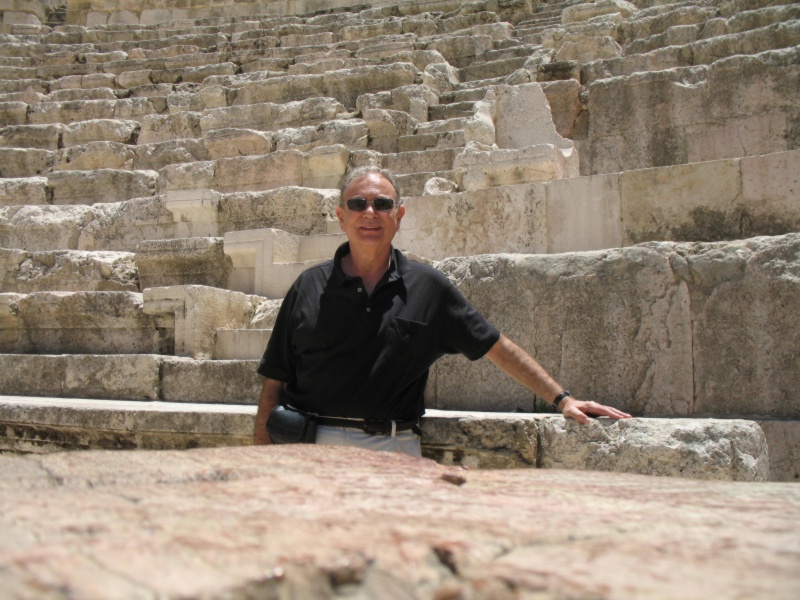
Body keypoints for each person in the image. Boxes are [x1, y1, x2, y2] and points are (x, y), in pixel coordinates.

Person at [254, 166, 631, 456]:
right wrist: (261, 461)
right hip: (309, 447)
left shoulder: (429, 287)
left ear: (398, 216)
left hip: (391, 448)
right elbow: (275, 382)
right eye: (358, 204)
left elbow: (495, 346)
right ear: (341, 216)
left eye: (382, 204)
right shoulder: (308, 286)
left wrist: (562, 399)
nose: (370, 212)